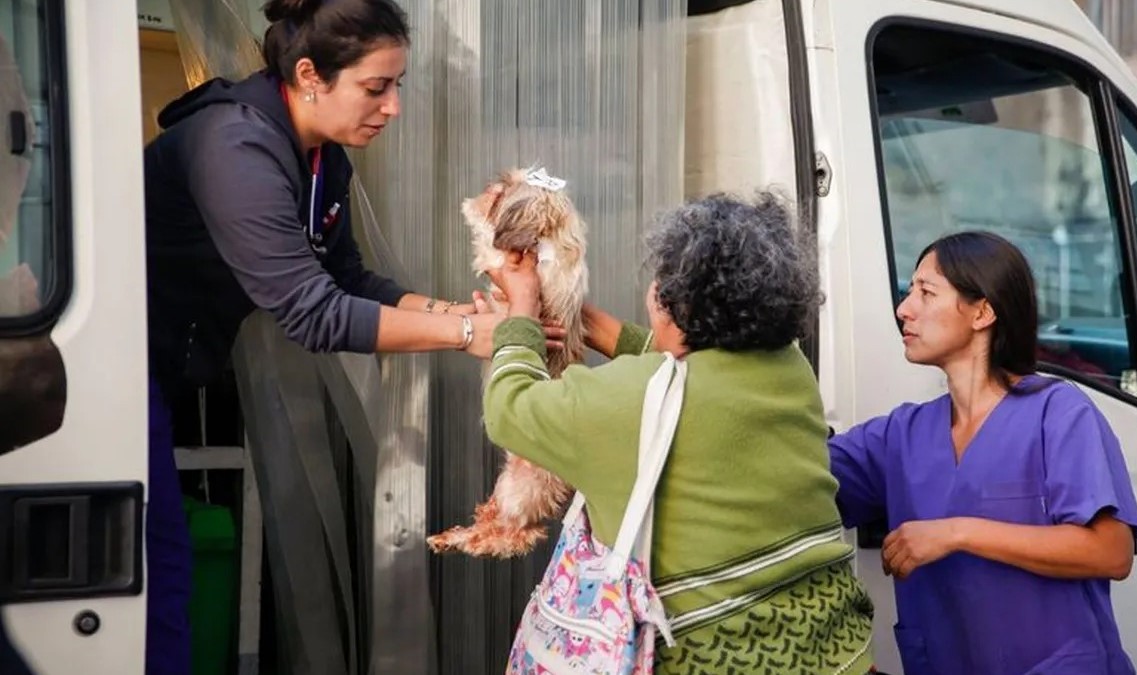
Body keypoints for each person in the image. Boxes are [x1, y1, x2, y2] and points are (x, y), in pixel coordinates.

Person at [141, 1, 559, 670]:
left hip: (163, 368)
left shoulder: (321, 159)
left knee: (165, 570)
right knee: (155, 576)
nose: (392, 107)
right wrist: (462, 332)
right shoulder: (234, 147)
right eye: (376, 87)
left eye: (397, 86)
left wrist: (459, 310)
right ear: (309, 75)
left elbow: (347, 277)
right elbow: (312, 312)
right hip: (117, 373)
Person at [482, 191, 875, 674]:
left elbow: (509, 406)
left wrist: (520, 310)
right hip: (835, 649)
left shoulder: (628, 399)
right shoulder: (789, 368)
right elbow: (672, 359)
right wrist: (567, 310)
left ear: (673, 301)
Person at [829, 231, 1137, 675]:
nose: (904, 309)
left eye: (925, 292)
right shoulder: (901, 434)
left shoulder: (1058, 412)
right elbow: (802, 474)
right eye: (908, 292)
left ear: (983, 311)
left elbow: (1111, 552)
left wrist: (955, 533)